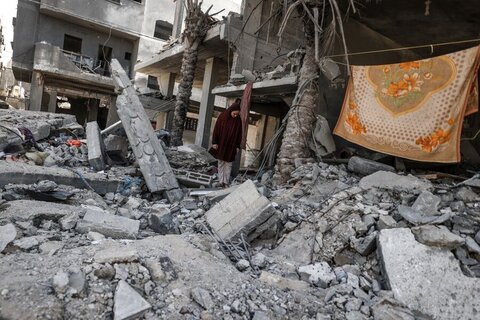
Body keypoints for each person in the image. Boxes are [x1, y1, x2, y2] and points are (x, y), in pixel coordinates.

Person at [211, 99, 242, 187]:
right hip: (222, 143)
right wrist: (214, 142)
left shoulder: (238, 120)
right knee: (221, 162)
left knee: (228, 163)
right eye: (234, 114)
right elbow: (216, 129)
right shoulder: (223, 116)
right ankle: (221, 181)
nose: (235, 115)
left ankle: (226, 182)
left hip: (231, 146)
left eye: (237, 114)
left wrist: (237, 146)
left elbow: (239, 134)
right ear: (231, 111)